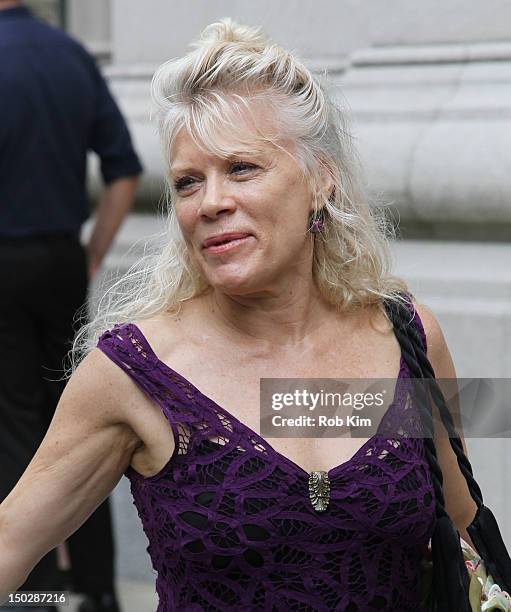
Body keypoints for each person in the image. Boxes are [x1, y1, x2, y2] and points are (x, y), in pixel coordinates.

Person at [0, 17, 483, 611]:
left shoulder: (410, 337)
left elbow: (464, 530)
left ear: (319, 181)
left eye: (242, 169)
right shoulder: (132, 374)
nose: (211, 202)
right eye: (186, 183)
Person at [0, 2, 142, 611]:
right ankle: (98, 588)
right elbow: (125, 170)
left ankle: (32, 594)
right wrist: (91, 252)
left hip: (3, 261)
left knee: (12, 422)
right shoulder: (72, 55)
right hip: (62, 260)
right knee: (80, 417)